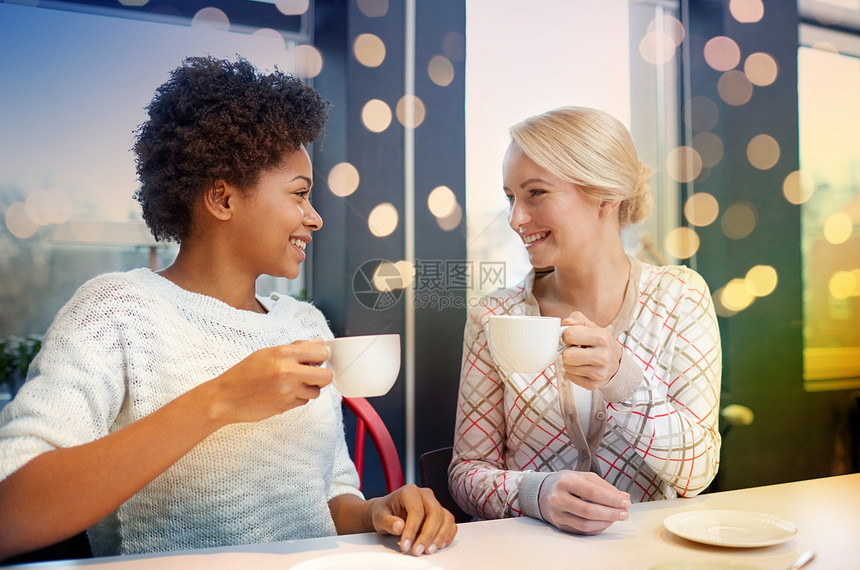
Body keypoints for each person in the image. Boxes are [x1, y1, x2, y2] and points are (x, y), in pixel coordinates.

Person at [0, 56, 456, 561]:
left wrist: (375, 512)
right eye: (299, 195)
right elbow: (12, 512)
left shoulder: (303, 323)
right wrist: (220, 400)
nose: (316, 217)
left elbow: (326, 497)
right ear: (221, 197)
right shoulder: (117, 311)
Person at [449, 107, 721, 535]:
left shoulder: (679, 297)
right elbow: (466, 473)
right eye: (510, 197)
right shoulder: (493, 315)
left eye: (535, 193)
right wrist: (536, 494)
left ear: (606, 196)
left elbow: (698, 472)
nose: (516, 219)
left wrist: (622, 380)